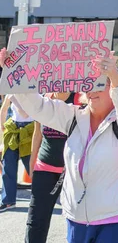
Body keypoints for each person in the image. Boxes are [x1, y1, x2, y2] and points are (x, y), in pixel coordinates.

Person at [0, 49, 118, 241]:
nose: (91, 91)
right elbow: (38, 107)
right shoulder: (75, 116)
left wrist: (114, 74)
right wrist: (14, 70)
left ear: (113, 89)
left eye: (99, 84)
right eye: (88, 85)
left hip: (116, 216)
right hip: (76, 216)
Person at [25, 92, 79, 242]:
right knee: (36, 220)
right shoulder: (44, 99)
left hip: (73, 172)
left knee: (79, 222)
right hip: (45, 167)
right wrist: (32, 161)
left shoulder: (80, 99)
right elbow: (38, 133)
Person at [0, 98, 34, 212]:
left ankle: (42, 199)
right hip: (13, 128)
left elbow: (24, 114)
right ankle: (8, 201)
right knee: (8, 165)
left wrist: (15, 98)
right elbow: (4, 109)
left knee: (31, 166)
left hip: (30, 129)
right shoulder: (12, 90)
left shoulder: (34, 92)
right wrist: (2, 126)